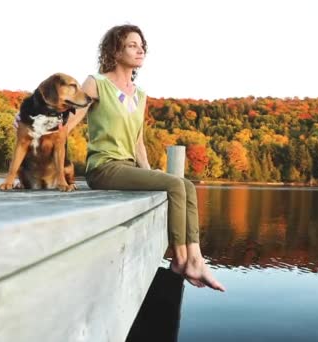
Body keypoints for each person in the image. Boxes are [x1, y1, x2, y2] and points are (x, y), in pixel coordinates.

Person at [67, 24, 225, 292]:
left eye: (141, 45)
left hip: (128, 167)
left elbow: (138, 141)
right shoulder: (96, 83)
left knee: (184, 184)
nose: (140, 49)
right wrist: (30, 121)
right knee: (176, 185)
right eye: (131, 45)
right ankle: (184, 259)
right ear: (115, 51)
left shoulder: (139, 95)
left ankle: (194, 258)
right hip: (103, 168)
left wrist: (153, 176)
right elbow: (67, 120)